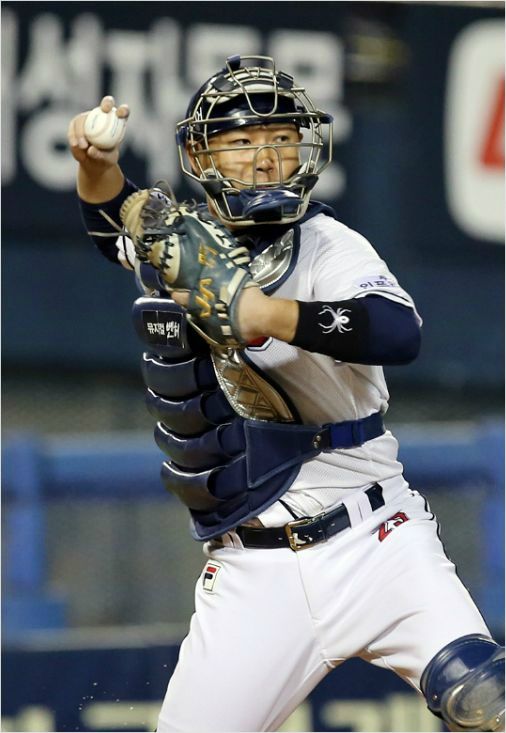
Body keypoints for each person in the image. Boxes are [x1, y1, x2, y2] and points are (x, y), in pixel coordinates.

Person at [68, 55, 504, 733]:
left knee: (484, 699)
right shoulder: (186, 243)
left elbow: (398, 330)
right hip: (253, 572)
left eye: (280, 138)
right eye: (242, 140)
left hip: (376, 538)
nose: (265, 157)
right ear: (202, 152)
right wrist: (93, 164)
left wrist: (269, 315)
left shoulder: (331, 246)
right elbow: (112, 216)